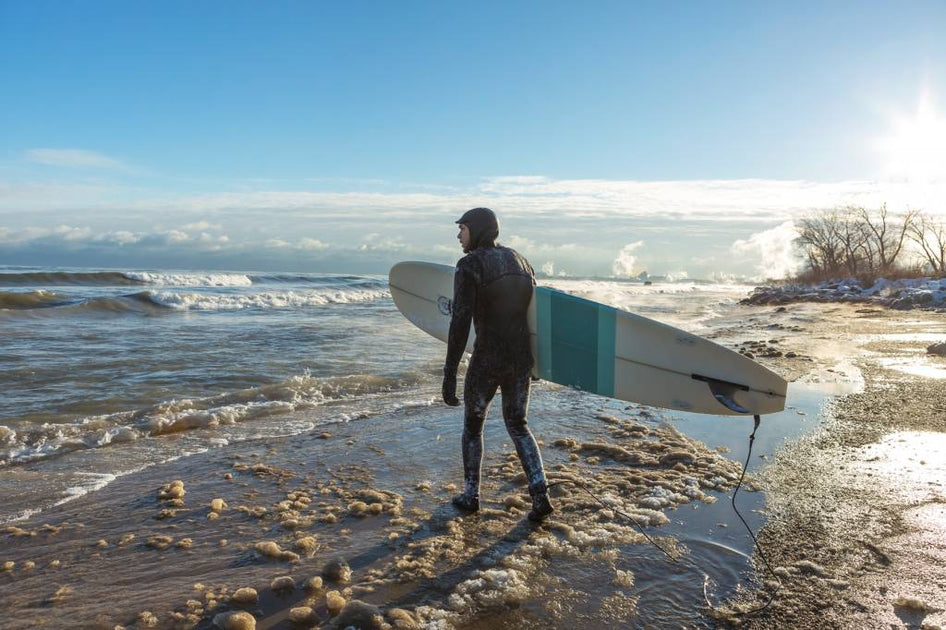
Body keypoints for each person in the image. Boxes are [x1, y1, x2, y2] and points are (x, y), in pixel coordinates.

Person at [442, 207, 554, 522]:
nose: (458, 235)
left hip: (488, 359)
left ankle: (471, 494)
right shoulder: (522, 262)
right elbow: (534, 317)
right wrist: (535, 364)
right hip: (520, 358)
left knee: (472, 426)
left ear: (476, 230)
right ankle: (540, 493)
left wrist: (449, 374)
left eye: (462, 229)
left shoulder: (470, 265)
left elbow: (461, 321)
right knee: (518, 425)